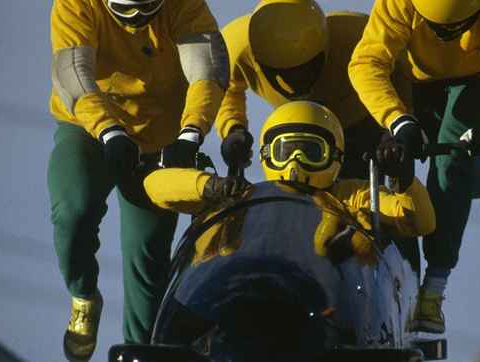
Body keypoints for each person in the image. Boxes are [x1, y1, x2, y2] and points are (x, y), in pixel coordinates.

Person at [348, 0, 480, 334]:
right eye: (437, 28)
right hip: (414, 77)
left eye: (457, 28)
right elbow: (366, 63)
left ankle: (434, 289)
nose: (447, 36)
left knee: (450, 165)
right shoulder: (397, 3)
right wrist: (397, 120)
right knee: (398, 165)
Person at [48, 0, 228, 359]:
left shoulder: (184, 5)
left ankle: (140, 350)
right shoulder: (76, 5)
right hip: (90, 126)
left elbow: (206, 67)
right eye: (125, 8)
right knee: (73, 209)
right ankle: (84, 295)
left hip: (158, 135)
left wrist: (191, 133)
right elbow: (73, 73)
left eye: (147, 7)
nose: (136, 18)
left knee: (147, 261)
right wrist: (109, 130)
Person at [144, 101, 436, 254]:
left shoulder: (352, 195)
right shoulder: (242, 195)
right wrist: (212, 186)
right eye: (285, 151)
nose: (295, 163)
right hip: (251, 294)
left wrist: (404, 178)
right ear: (266, 155)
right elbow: (154, 186)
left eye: (311, 151)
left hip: (327, 300)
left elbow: (421, 221)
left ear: (335, 156)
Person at [214, 0, 412, 180]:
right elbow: (224, 88)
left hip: (361, 126)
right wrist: (233, 128)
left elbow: (403, 73)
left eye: (304, 71)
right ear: (257, 58)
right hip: (297, 129)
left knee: (364, 202)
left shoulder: (357, 34)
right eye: (284, 74)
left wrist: (394, 127)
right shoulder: (235, 46)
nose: (295, 83)